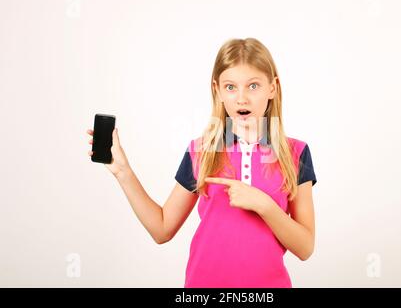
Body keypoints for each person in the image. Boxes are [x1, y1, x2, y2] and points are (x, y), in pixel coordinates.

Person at [86, 37, 317, 288]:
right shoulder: (201, 151)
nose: (242, 98)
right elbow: (162, 229)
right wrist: (123, 172)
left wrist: (265, 206)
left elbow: (305, 248)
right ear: (217, 90)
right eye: (231, 87)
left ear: (272, 87)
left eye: (253, 86)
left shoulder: (296, 153)